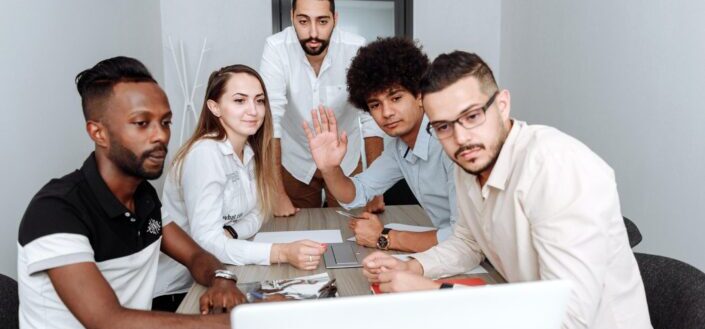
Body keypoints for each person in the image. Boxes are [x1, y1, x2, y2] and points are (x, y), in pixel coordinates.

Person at [362, 51, 652, 329]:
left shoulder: (556, 167)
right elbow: (467, 242)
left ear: (502, 105)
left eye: (473, 116)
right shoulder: (470, 164)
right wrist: (413, 267)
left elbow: (569, 318)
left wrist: (434, 291)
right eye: (443, 127)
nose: (461, 138)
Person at [17, 57, 244, 329]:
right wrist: (241, 322)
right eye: (141, 123)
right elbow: (108, 320)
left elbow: (195, 256)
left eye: (166, 122)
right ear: (98, 132)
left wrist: (221, 280)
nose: (160, 135)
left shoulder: (143, 195)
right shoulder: (55, 211)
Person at [154, 64, 327, 308]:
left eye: (259, 101)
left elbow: (260, 212)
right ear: (214, 107)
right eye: (239, 100)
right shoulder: (205, 154)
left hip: (227, 269)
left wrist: (232, 233)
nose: (253, 110)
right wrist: (280, 252)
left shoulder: (248, 151)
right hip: (182, 290)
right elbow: (207, 244)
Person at [302, 37, 457, 253]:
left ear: (420, 95)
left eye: (396, 98)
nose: (386, 113)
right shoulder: (398, 148)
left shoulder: (451, 143)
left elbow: (462, 237)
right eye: (376, 105)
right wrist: (330, 169)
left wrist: (384, 237)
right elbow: (357, 193)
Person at [259, 0, 385, 216]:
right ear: (292, 17)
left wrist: (376, 189)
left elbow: (371, 119)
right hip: (295, 159)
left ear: (335, 19)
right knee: (297, 230)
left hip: (345, 160)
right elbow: (271, 121)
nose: (313, 33)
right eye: (303, 21)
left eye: (323, 21)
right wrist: (278, 193)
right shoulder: (276, 48)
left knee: (354, 230)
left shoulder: (356, 48)